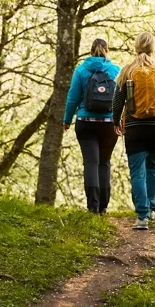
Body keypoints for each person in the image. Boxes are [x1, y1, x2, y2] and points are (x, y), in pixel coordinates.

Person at [113, 32, 155, 230]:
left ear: (136, 47)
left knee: (137, 171)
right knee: (153, 166)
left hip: (134, 128)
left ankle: (142, 216)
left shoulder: (127, 70)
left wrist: (115, 121)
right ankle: (151, 209)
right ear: (153, 48)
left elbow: (117, 101)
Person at [63, 39, 121, 215]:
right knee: (104, 162)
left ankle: (92, 206)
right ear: (107, 51)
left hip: (85, 122)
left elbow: (72, 97)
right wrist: (120, 121)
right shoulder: (116, 70)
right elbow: (121, 98)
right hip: (109, 124)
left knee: (90, 162)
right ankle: (103, 206)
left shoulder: (81, 70)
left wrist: (67, 119)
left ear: (90, 52)